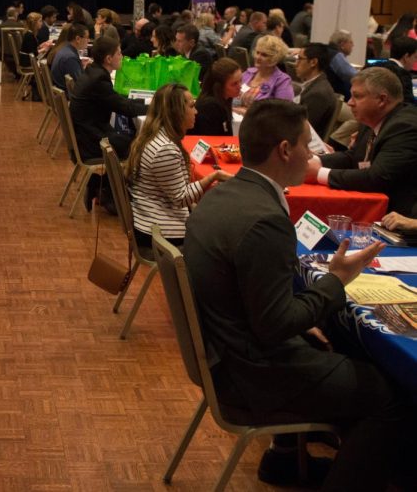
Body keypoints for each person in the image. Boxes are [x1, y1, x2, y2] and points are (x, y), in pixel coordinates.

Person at [185, 98, 410, 490]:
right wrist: (336, 280)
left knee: (339, 345)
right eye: (308, 145)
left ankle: (285, 459)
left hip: (227, 354)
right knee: (391, 394)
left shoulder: (224, 193)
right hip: (251, 374)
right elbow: (276, 325)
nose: (312, 154)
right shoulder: (264, 219)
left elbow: (264, 312)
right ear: (285, 150)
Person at [126, 83, 231, 249]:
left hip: (149, 220)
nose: (196, 112)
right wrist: (214, 176)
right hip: (160, 232)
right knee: (224, 238)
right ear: (176, 112)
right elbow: (181, 198)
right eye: (192, 106)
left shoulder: (156, 136)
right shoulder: (165, 149)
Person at [306, 67, 417, 215]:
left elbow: (377, 178)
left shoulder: (405, 127)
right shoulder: (371, 119)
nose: (350, 103)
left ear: (382, 100)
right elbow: (352, 157)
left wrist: (319, 173)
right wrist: (313, 159)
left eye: (357, 96)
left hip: (400, 216)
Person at [70, 37, 148, 210]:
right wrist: (156, 107)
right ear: (108, 59)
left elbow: (117, 101)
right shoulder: (99, 80)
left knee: (130, 140)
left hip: (85, 135)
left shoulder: (93, 72)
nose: (122, 56)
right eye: (119, 53)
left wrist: (142, 103)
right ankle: (111, 194)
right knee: (137, 147)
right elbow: (125, 108)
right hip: (91, 141)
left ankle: (101, 185)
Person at [294, 43, 339, 137]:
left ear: (313, 62)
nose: (296, 64)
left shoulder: (318, 93)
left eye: (300, 59)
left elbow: (300, 128)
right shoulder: (314, 85)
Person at [189, 57, 242, 136]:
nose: (240, 86)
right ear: (219, 87)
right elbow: (212, 141)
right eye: (234, 84)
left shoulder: (225, 98)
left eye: (240, 80)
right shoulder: (209, 107)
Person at [239, 35, 294, 108]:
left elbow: (282, 112)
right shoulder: (248, 73)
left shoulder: (282, 81)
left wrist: (245, 113)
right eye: (257, 52)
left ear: (274, 59)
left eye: (264, 55)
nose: (258, 57)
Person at [375, 36, 417, 105]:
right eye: (415, 57)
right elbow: (408, 106)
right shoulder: (403, 75)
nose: (415, 61)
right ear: (406, 57)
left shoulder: (372, 65)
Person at [50, 22, 90, 91]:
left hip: (65, 91)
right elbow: (80, 84)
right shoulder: (70, 58)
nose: (88, 40)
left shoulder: (66, 49)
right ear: (78, 39)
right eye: (87, 37)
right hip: (69, 96)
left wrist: (80, 65)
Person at [325, 29, 358, 99]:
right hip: (337, 98)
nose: (353, 45)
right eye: (351, 42)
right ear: (342, 44)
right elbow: (353, 76)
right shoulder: (336, 56)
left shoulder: (326, 51)